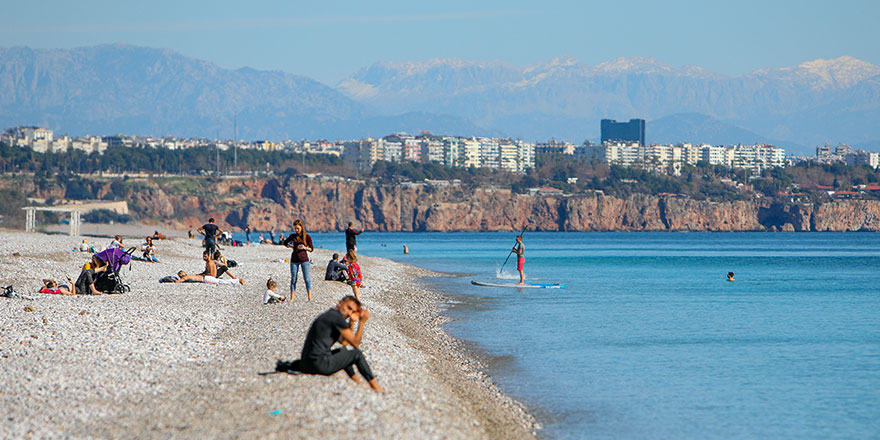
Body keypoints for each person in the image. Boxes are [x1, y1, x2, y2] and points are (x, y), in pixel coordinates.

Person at [281, 296, 385, 392]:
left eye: (352, 311)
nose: (349, 313)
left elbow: (343, 342)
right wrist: (362, 322)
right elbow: (355, 343)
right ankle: (375, 386)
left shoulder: (331, 315)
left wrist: (352, 323)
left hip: (306, 363)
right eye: (348, 308)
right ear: (340, 303)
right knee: (356, 354)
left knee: (343, 351)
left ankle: (358, 381)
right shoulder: (337, 318)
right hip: (319, 364)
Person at [282, 219, 314, 302]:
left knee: (307, 279)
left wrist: (305, 248)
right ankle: (292, 298)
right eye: (295, 228)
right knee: (293, 279)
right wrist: (291, 246)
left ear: (301, 227)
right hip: (294, 259)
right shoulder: (293, 236)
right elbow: (285, 243)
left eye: (297, 228)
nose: (296, 230)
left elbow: (311, 249)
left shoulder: (307, 237)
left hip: (304, 259)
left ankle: (309, 298)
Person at [174, 270, 244, 285]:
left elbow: (180, 280)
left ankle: (238, 281)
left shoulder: (187, 277)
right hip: (206, 278)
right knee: (220, 281)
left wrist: (175, 281)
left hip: (206, 279)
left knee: (221, 282)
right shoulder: (190, 276)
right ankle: (237, 282)